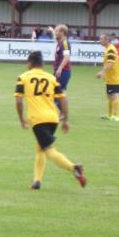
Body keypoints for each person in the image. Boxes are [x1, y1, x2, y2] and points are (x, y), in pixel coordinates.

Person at [14, 50, 86, 190]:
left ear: (30, 63)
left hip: (37, 119)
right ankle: (37, 181)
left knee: (49, 150)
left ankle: (74, 168)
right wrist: (65, 119)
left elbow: (18, 100)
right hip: (53, 118)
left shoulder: (23, 77)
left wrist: (21, 119)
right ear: (42, 64)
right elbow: (63, 98)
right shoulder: (51, 78)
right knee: (40, 148)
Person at [97, 34, 119, 121]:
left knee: (114, 96)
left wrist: (102, 72)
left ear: (106, 40)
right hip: (110, 78)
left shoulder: (111, 49)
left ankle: (116, 116)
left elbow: (110, 63)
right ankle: (109, 115)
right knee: (109, 96)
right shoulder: (108, 49)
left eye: (101, 39)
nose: (99, 40)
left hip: (114, 78)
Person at [52, 25, 71, 114]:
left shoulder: (65, 43)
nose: (55, 33)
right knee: (61, 93)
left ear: (62, 33)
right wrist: (52, 30)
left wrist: (59, 68)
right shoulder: (60, 42)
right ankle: (63, 113)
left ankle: (63, 113)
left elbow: (67, 57)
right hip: (60, 71)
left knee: (56, 94)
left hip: (62, 72)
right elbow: (55, 38)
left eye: (57, 31)